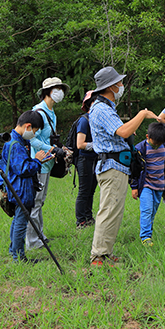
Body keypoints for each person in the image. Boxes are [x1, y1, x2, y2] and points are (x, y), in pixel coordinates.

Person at [88, 66, 159, 266]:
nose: (121, 86)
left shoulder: (107, 107)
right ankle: (98, 257)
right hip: (111, 167)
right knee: (109, 211)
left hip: (116, 166)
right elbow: (124, 131)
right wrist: (142, 114)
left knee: (114, 211)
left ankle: (105, 253)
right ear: (110, 87)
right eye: (119, 83)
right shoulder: (101, 108)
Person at [2, 111, 52, 263]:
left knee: (17, 219)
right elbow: (22, 169)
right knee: (21, 223)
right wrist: (37, 161)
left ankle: (13, 251)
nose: (34, 135)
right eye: (34, 131)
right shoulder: (15, 144)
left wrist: (39, 161)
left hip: (18, 187)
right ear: (28, 126)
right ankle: (19, 257)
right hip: (21, 189)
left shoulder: (17, 141)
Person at [27, 77, 70, 250]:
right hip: (39, 161)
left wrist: (59, 148)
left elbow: (48, 137)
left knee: (40, 201)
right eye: (55, 88)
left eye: (61, 88)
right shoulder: (38, 112)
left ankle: (40, 235)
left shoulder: (51, 112)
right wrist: (52, 149)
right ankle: (32, 241)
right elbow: (32, 139)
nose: (59, 91)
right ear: (47, 92)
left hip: (47, 163)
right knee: (35, 202)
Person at [131, 122, 165, 247]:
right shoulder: (140, 149)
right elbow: (134, 170)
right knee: (147, 210)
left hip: (160, 185)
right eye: (155, 143)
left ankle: (149, 231)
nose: (157, 146)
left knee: (153, 211)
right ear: (147, 136)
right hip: (146, 185)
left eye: (159, 143)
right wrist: (134, 187)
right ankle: (145, 237)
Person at [75, 91, 98, 229]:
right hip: (84, 160)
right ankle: (81, 221)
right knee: (84, 190)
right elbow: (80, 144)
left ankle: (89, 217)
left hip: (95, 159)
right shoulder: (84, 120)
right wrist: (98, 146)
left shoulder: (97, 120)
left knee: (91, 190)